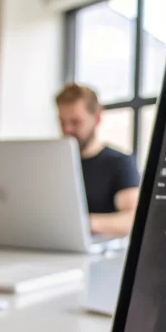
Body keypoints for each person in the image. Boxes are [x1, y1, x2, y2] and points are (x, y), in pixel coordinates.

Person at [56, 84, 140, 236]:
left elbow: (131, 220)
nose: (67, 129)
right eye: (62, 122)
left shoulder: (120, 163)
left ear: (97, 119)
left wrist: (82, 223)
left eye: (76, 122)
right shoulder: (53, 164)